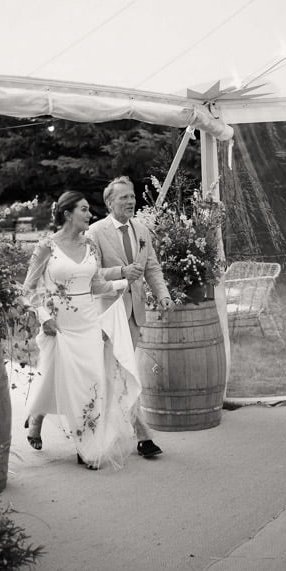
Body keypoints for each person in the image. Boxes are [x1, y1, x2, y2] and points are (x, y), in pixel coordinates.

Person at [22, 191, 141, 470]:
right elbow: (28, 289)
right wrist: (42, 316)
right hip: (59, 327)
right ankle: (36, 419)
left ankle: (86, 446)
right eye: (85, 210)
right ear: (67, 214)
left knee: (90, 383)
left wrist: (125, 283)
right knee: (51, 378)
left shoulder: (90, 246)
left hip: (88, 323)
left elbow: (96, 284)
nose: (90, 215)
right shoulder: (45, 247)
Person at [86, 176, 172, 458]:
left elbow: (152, 268)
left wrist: (164, 296)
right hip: (107, 314)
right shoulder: (95, 232)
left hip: (134, 315)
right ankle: (140, 434)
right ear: (109, 202)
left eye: (132, 196)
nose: (130, 201)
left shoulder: (143, 230)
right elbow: (90, 274)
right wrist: (121, 273)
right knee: (114, 374)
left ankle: (120, 432)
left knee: (124, 373)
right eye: (123, 197)